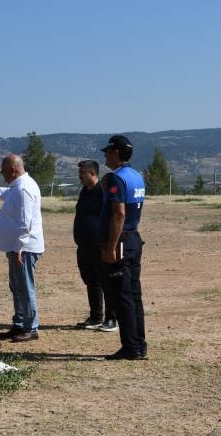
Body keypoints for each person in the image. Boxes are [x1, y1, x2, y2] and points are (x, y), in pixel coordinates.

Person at [0, 154, 45, 343]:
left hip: (24, 249)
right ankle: (20, 324)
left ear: (13, 170)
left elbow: (25, 222)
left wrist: (20, 246)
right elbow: (3, 193)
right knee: (17, 287)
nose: (1, 173)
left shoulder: (23, 189)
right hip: (18, 247)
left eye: (3, 170)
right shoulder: (18, 186)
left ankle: (31, 327)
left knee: (24, 287)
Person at [99, 135, 147, 360]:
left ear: (116, 152)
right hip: (134, 238)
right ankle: (139, 343)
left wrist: (110, 246)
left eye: (107, 152)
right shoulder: (136, 176)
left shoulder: (117, 179)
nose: (105, 156)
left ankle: (131, 347)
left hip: (121, 241)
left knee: (122, 296)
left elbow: (119, 213)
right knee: (134, 294)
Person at [73, 159, 117, 332]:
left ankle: (112, 318)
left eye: (82, 174)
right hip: (84, 247)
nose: (80, 177)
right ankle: (96, 317)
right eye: (79, 174)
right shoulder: (84, 191)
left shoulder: (103, 191)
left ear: (93, 173)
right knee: (91, 282)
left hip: (100, 245)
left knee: (107, 282)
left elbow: (113, 216)